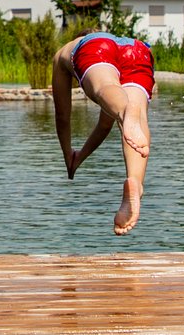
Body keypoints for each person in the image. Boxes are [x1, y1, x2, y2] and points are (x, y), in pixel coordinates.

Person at [51, 31, 154, 235]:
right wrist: (79, 157)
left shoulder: (68, 50)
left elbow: (63, 116)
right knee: (137, 116)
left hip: (97, 48)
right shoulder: (120, 41)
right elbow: (104, 126)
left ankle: (126, 110)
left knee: (104, 86)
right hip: (138, 49)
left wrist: (67, 155)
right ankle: (135, 182)